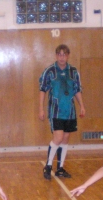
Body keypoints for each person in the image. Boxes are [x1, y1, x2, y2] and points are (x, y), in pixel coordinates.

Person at [39, 44, 86, 181]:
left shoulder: (74, 72)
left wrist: (82, 106)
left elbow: (77, 90)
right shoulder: (49, 71)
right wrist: (41, 108)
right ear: (56, 55)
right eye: (59, 54)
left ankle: (60, 168)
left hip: (69, 111)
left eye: (64, 54)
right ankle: (48, 166)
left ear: (68, 55)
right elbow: (42, 90)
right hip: (56, 111)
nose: (62, 57)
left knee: (65, 139)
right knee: (58, 138)